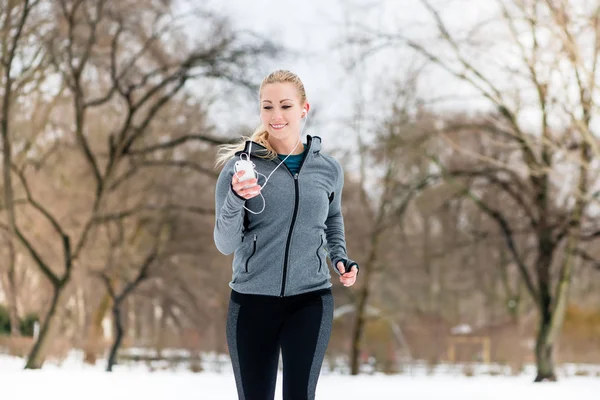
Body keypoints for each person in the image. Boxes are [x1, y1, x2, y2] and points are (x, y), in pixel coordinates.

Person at [213, 69, 359, 400]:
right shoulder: (241, 167)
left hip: (310, 299)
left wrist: (340, 257)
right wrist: (237, 197)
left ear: (304, 109)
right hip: (252, 301)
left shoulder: (328, 169)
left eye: (285, 106)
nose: (276, 116)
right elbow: (224, 243)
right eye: (267, 107)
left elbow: (332, 216)